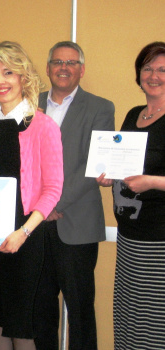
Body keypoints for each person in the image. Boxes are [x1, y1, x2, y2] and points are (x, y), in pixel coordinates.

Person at [0, 41, 63, 350]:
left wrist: (23, 232)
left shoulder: (43, 126)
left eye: (8, 72)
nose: (0, 81)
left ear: (23, 77)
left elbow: (53, 189)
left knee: (22, 327)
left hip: (26, 236)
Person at [34, 41, 115, 350]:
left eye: (70, 62)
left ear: (82, 69)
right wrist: (38, 209)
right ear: (47, 68)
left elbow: (93, 165)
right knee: (39, 310)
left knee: (80, 311)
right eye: (57, 61)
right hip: (35, 226)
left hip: (76, 224)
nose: (63, 67)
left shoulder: (100, 107)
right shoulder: (30, 104)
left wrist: (50, 204)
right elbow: (21, 160)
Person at [98, 41, 165, 350]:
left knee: (154, 320)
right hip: (129, 236)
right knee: (129, 315)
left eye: (162, 69)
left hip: (158, 241)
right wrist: (108, 175)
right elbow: (121, 163)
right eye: (147, 68)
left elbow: (146, 176)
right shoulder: (134, 114)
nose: (153, 75)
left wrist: (151, 181)